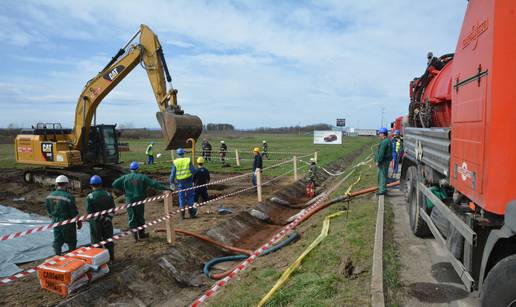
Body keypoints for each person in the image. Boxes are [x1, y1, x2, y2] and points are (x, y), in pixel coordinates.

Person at [112, 161, 167, 241]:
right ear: (138, 169)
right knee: (140, 217)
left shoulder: (125, 177)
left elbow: (114, 184)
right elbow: (154, 184)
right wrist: (166, 188)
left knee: (132, 217)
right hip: (139, 200)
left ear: (130, 169)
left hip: (129, 200)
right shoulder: (142, 177)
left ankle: (135, 237)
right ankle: (142, 234)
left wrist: (124, 190)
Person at [46, 175, 81, 255]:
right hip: (67, 223)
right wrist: (79, 222)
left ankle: (57, 258)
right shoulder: (68, 196)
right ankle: (72, 259)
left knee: (57, 241)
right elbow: (74, 212)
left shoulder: (49, 196)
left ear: (57, 184)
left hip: (55, 222)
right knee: (71, 242)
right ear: (66, 184)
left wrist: (53, 217)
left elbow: (48, 210)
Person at [85, 175, 115, 261]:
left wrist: (100, 218)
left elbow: (90, 212)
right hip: (108, 222)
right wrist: (107, 219)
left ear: (91, 185)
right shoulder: (108, 194)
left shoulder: (90, 197)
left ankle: (99, 261)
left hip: (95, 223)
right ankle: (111, 258)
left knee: (96, 243)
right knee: (109, 241)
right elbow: (113, 209)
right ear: (101, 184)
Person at [170, 148, 198, 219]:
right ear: (183, 153)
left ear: (177, 154)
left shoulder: (175, 162)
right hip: (188, 180)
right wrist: (192, 176)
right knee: (190, 196)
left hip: (180, 182)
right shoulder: (188, 160)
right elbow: (194, 171)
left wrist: (171, 182)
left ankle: (182, 215)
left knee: (181, 197)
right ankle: (191, 213)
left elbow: (172, 174)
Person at [376, 128, 392, 195]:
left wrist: (378, 161)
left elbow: (381, 153)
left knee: (381, 175)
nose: (379, 135)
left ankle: (382, 190)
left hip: (383, 161)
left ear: (383, 134)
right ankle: (383, 188)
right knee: (384, 175)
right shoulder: (388, 140)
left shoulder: (384, 142)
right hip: (386, 161)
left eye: (380, 133)